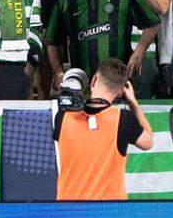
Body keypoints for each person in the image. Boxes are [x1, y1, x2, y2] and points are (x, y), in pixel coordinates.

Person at [52, 57, 153, 200]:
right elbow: (148, 142)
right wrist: (133, 103)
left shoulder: (62, 117)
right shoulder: (124, 120)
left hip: (69, 212)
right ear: (120, 92)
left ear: (93, 81)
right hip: (109, 215)